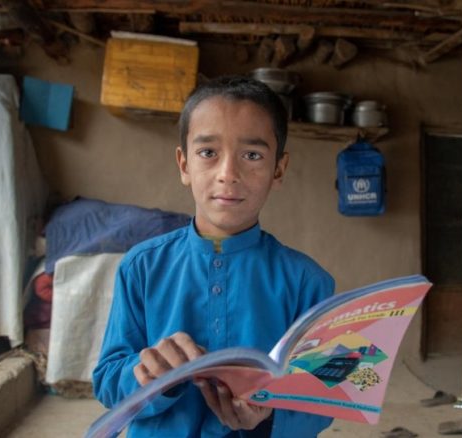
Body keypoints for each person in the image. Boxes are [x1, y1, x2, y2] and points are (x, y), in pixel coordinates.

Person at [93, 76, 335, 438]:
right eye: (208, 153)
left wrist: (267, 416)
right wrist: (149, 375)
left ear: (278, 169)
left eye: (252, 155)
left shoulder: (308, 282)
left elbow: (327, 395)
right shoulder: (141, 267)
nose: (228, 175)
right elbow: (109, 380)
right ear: (184, 165)